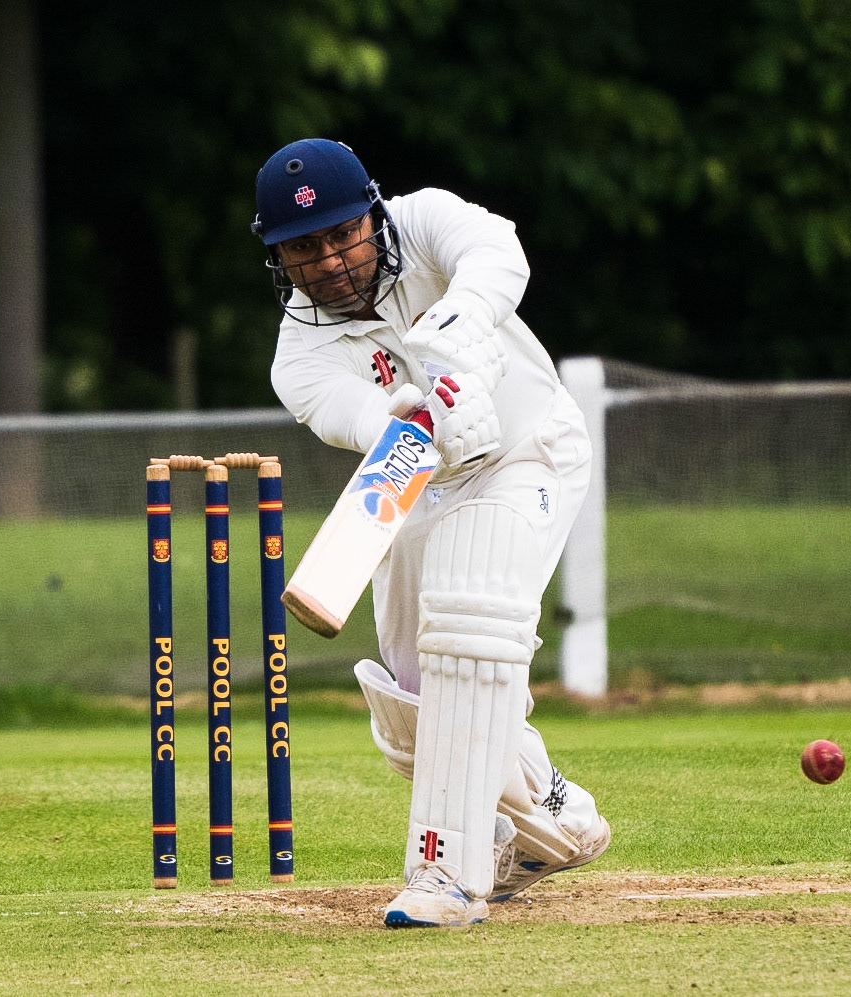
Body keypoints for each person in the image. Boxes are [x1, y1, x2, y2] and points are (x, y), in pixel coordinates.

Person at [252, 138, 610, 927]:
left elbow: (500, 252)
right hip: (417, 476)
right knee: (414, 700)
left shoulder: (426, 221)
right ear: (281, 258)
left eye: (344, 233)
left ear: (373, 217)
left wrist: (453, 330)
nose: (332, 258)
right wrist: (412, 407)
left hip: (527, 451)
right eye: (305, 248)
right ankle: (556, 822)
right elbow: (356, 417)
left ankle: (446, 869)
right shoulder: (299, 357)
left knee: (470, 622)